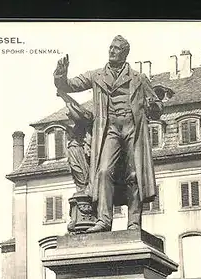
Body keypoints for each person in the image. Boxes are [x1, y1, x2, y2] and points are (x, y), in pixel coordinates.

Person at [54, 35, 162, 233]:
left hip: (132, 127)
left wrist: (154, 106)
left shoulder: (139, 78)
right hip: (110, 128)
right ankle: (104, 220)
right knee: (103, 171)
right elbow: (69, 85)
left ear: (125, 53)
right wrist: (60, 76)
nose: (112, 51)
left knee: (134, 174)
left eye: (116, 48)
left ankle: (134, 222)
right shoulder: (97, 76)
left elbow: (156, 107)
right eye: (111, 47)